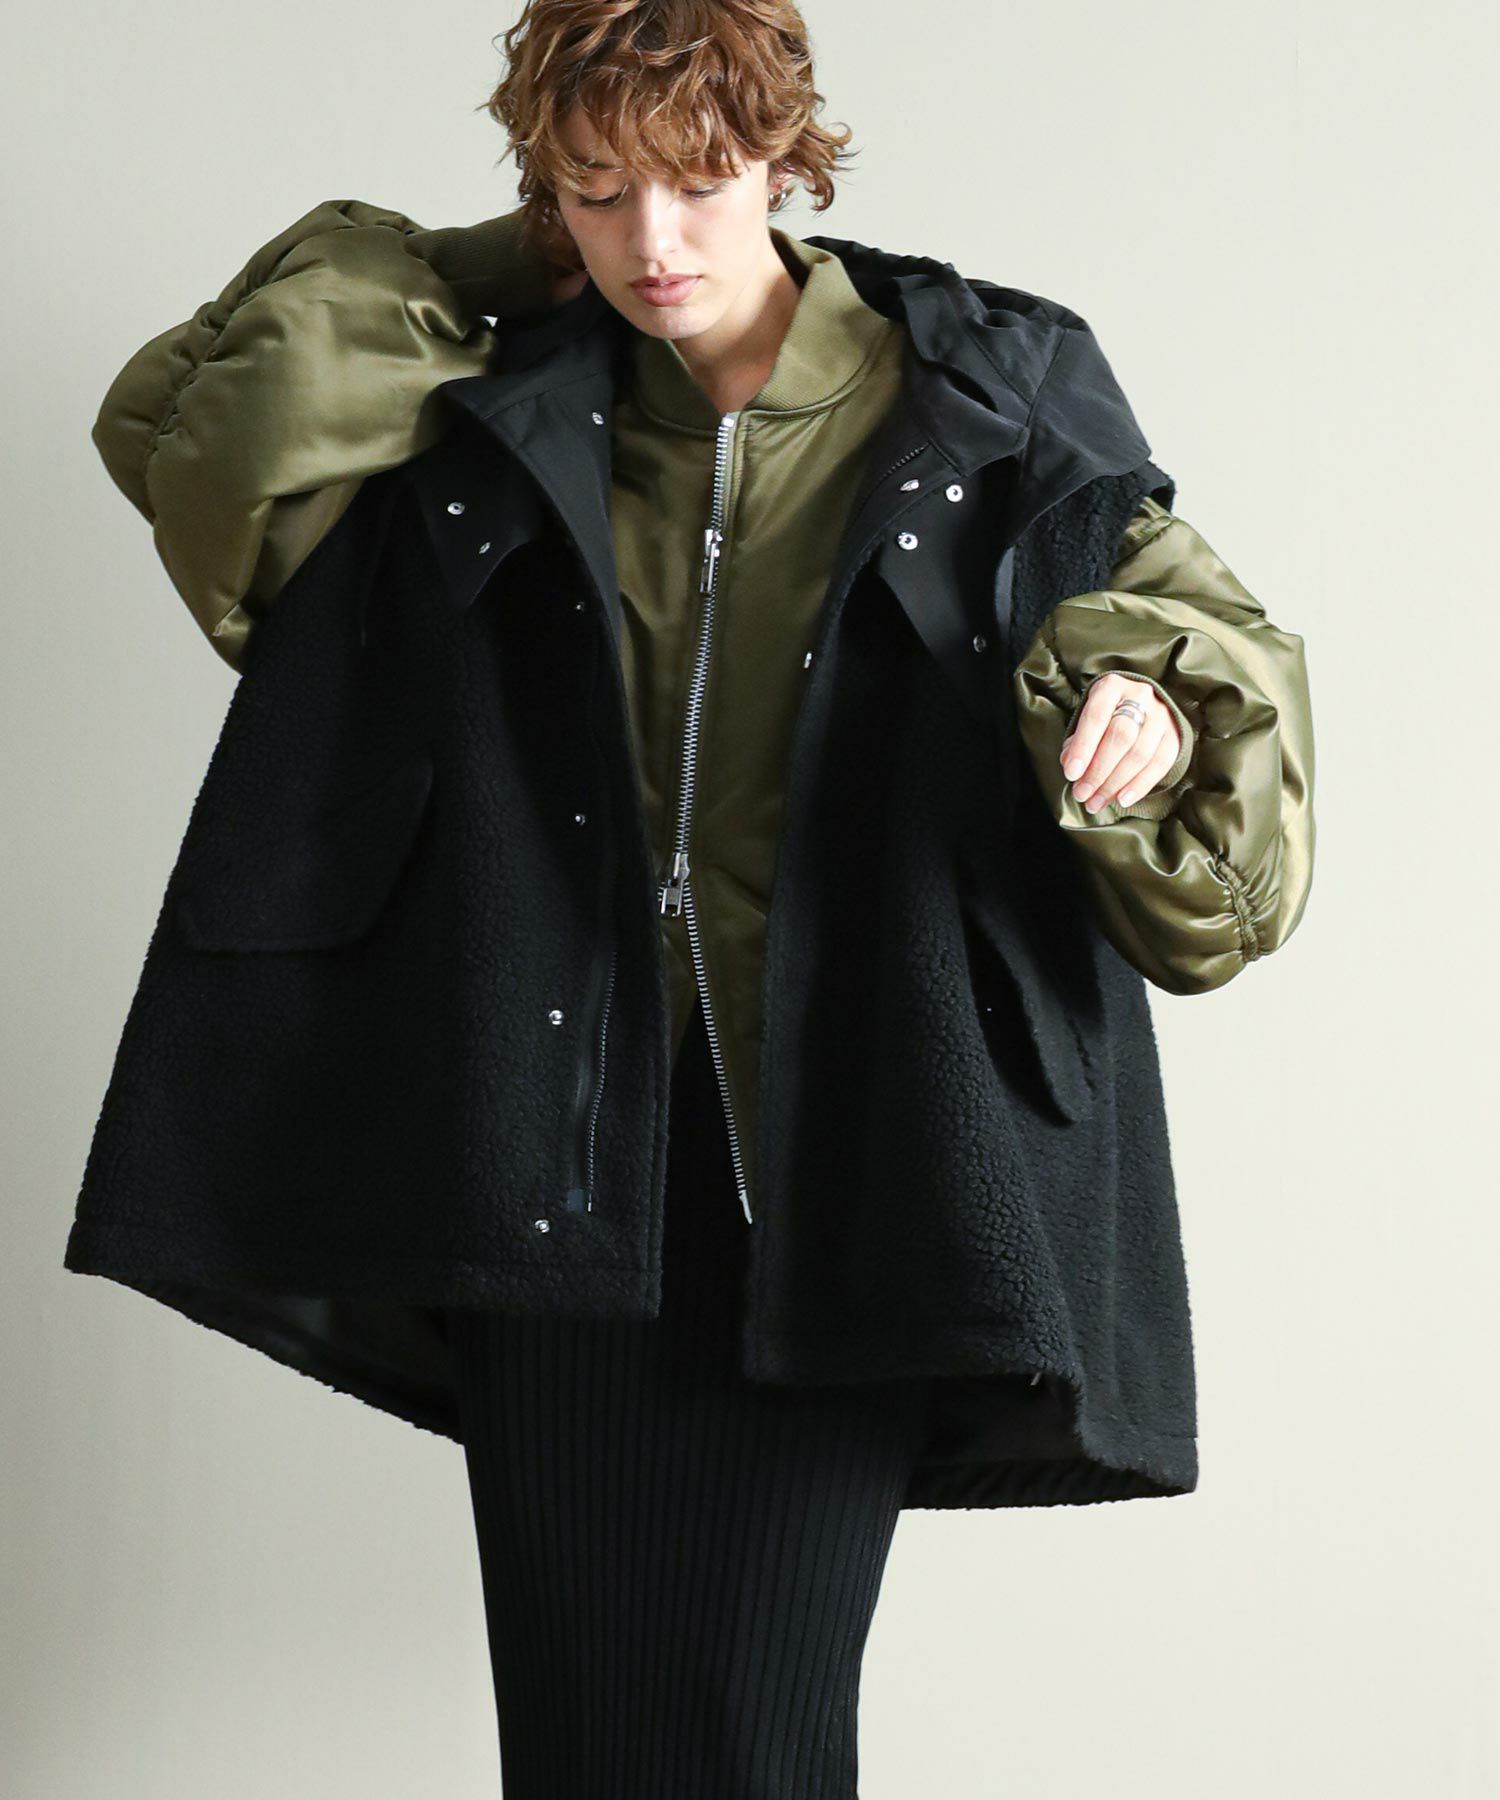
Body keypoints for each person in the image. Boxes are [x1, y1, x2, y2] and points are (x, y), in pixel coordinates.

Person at [66, 1, 1315, 1792]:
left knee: (758, 1731)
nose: (653, 242)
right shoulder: (496, 406)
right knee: (580, 1738)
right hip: (560, 1153)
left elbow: (1213, 659)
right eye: (595, 190)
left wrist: (1147, 702)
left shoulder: (982, 389)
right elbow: (183, 429)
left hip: (854, 1153)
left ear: (789, 160)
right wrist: (507, 262)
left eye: (701, 181)